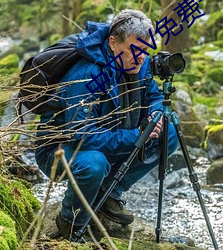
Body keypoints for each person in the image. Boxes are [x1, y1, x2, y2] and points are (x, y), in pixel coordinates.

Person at [35, 9, 179, 241]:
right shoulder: (86, 75)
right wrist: (136, 136)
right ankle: (70, 221)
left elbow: (153, 96)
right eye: (135, 50)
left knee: (169, 132)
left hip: (111, 136)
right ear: (113, 43)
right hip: (61, 150)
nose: (141, 57)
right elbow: (81, 135)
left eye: (145, 50)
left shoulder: (138, 63)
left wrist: (155, 114)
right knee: (94, 164)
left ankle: (109, 193)